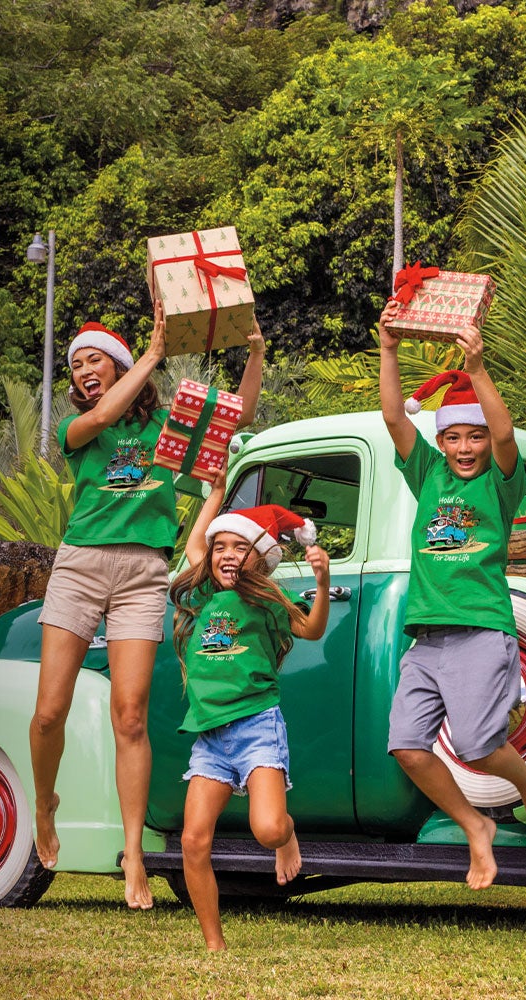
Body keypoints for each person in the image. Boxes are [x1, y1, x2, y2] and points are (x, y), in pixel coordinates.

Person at [29, 304, 266, 910]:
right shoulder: (77, 431)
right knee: (49, 713)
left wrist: (256, 354)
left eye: (95, 360)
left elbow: (236, 420)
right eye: (76, 364)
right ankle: (44, 801)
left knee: (130, 717)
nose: (84, 371)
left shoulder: (167, 425)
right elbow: (104, 414)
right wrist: (155, 352)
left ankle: (133, 852)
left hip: (142, 572)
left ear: (118, 366)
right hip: (81, 566)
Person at [377, 314, 526, 891]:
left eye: (473, 436)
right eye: (454, 437)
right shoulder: (428, 474)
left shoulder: (500, 482)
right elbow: (393, 417)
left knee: (479, 747)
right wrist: (389, 349)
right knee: (407, 747)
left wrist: (476, 368)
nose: (465, 447)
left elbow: (506, 437)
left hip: (480, 629)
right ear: (440, 442)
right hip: (426, 638)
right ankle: (474, 825)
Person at [169, 482, 328, 951]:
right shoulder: (202, 595)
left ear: (259, 558)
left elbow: (312, 629)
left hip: (257, 725)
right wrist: (216, 492)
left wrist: (321, 584)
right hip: (210, 734)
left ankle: (287, 835)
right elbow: (195, 541)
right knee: (193, 841)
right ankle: (214, 946)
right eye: (220, 546)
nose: (226, 554)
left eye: (240, 547)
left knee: (268, 829)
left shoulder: (267, 601)